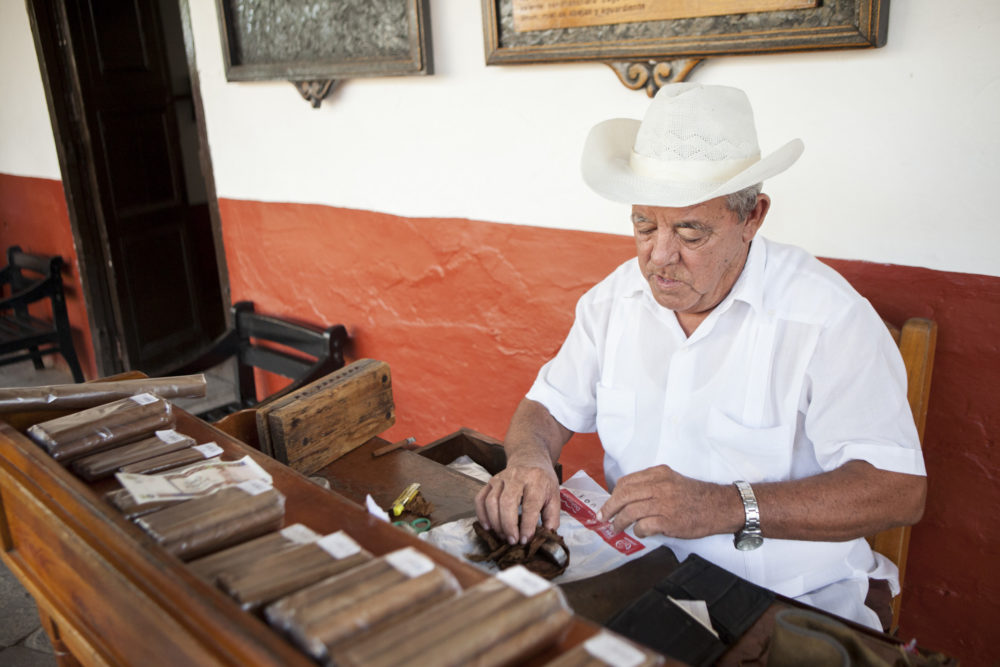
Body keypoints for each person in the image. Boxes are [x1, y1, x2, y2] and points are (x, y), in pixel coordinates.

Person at [474, 82, 927, 630]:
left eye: (690, 231)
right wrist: (528, 460)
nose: (660, 256)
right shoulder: (613, 301)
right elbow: (545, 409)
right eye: (645, 224)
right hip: (638, 576)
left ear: (752, 217)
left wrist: (723, 506)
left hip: (784, 598)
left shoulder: (827, 318)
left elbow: (899, 491)